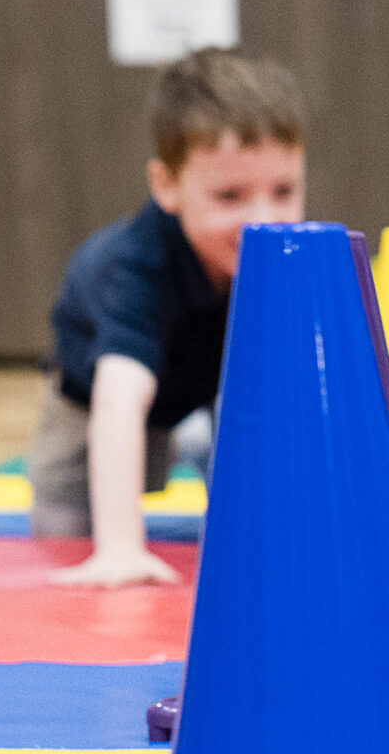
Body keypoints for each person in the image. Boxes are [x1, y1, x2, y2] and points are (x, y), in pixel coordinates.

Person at [31, 47, 306, 586]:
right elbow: (118, 400)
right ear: (167, 188)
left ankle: (203, 442)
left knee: (245, 439)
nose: (263, 219)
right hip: (89, 398)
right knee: (63, 529)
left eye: (284, 191)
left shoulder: (280, 253)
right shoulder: (138, 268)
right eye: (230, 195)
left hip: (201, 379)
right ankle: (188, 443)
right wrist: (119, 548)